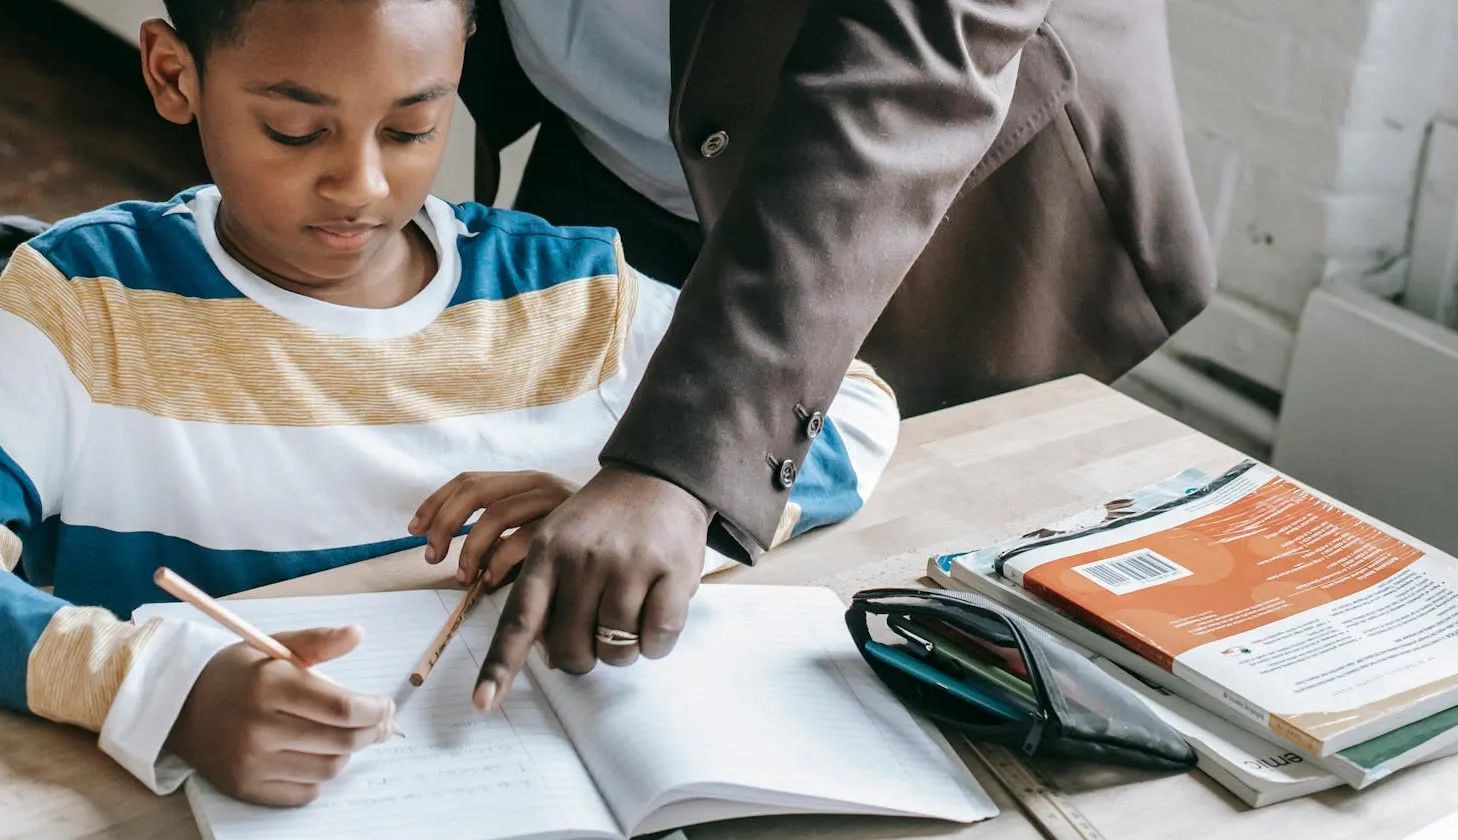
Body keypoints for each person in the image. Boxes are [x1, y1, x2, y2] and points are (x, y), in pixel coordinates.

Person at [0, 0, 899, 808]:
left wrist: (636, 504)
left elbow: (847, 408)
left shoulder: (568, 290)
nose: (358, 184)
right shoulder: (88, 302)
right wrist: (154, 689)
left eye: (412, 127)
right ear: (175, 74)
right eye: (293, 130)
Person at [455, 0, 1217, 706]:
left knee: (897, 642)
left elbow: (908, 67)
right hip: (607, 146)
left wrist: (678, 466)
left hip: (919, 213)